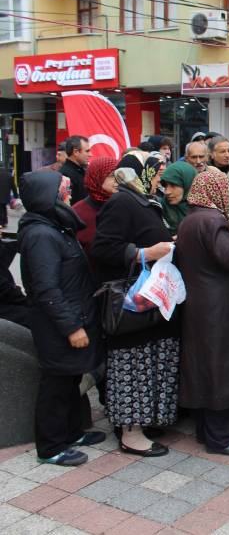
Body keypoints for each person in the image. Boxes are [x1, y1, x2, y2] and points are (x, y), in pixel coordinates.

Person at [91, 154, 179, 458]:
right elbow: (102, 248)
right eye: (157, 174)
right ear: (142, 173)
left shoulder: (143, 200)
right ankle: (131, 433)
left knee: (149, 362)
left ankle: (142, 422)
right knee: (133, 365)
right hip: (131, 304)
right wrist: (145, 253)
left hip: (148, 302)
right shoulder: (122, 202)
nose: (161, 181)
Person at [18, 170, 105, 466]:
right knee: (55, 385)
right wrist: (72, 327)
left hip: (71, 317)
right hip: (58, 325)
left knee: (69, 381)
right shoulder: (41, 234)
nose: (70, 196)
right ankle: (51, 446)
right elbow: (46, 289)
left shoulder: (54, 226)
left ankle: (72, 432)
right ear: (48, 197)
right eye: (64, 191)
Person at [175, 169, 229, 456]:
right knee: (219, 370)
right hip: (219, 309)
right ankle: (220, 438)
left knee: (203, 368)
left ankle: (205, 431)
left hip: (198, 305)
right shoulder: (214, 221)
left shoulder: (189, 219)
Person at [72, 155, 119, 266]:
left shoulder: (123, 204)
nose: (118, 180)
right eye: (112, 176)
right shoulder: (78, 212)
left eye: (120, 175)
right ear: (97, 177)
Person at [160, 162, 197, 236]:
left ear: (187, 184)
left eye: (173, 185)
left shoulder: (203, 210)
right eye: (165, 186)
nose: (167, 192)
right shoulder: (160, 207)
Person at [60, 135, 91, 205]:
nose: (90, 154)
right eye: (87, 151)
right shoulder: (65, 175)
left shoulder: (81, 170)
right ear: (76, 152)